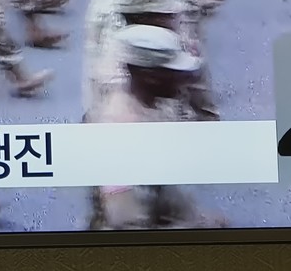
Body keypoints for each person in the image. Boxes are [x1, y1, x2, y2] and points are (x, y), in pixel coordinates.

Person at [88, 24, 226, 230]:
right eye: (173, 72)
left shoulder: (150, 104)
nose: (181, 79)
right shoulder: (121, 123)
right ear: (150, 77)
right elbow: (123, 217)